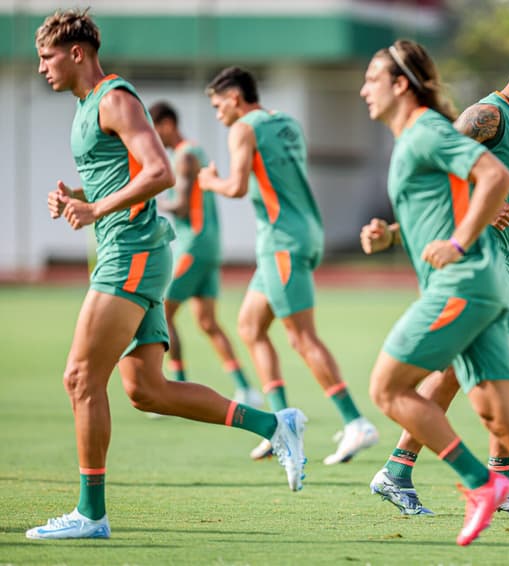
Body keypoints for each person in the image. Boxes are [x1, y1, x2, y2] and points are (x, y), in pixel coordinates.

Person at [27, 9, 306, 540]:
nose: (42, 67)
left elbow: (159, 171)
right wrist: (78, 195)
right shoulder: (87, 106)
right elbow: (126, 172)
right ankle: (276, 425)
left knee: (81, 378)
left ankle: (91, 515)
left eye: (48, 56)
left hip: (130, 252)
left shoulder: (114, 98)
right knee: (148, 390)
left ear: (77, 52)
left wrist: (97, 210)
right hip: (134, 251)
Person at [359, 39, 509, 564]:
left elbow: (487, 181)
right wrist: (415, 231)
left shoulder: (436, 128)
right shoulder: (482, 117)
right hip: (485, 272)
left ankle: (480, 481)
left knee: (392, 386)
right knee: (505, 399)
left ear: (400, 84)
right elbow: (457, 187)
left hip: (473, 276)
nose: (363, 90)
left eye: (371, 80)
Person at [198, 66, 378, 465]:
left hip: (282, 241)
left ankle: (355, 421)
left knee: (301, 337)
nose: (217, 114)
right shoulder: (287, 123)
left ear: (233, 98)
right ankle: (281, 421)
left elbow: (237, 186)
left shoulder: (242, 128)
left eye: (217, 105)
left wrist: (208, 181)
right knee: (249, 326)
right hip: (302, 232)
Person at [149, 101, 263, 408]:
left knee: (161, 311)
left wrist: (148, 201)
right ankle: (245, 386)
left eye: (153, 128)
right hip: (210, 247)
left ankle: (174, 389)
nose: (151, 136)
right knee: (207, 321)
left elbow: (183, 206)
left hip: (194, 246)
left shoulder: (184, 156)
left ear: (168, 125)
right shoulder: (191, 153)